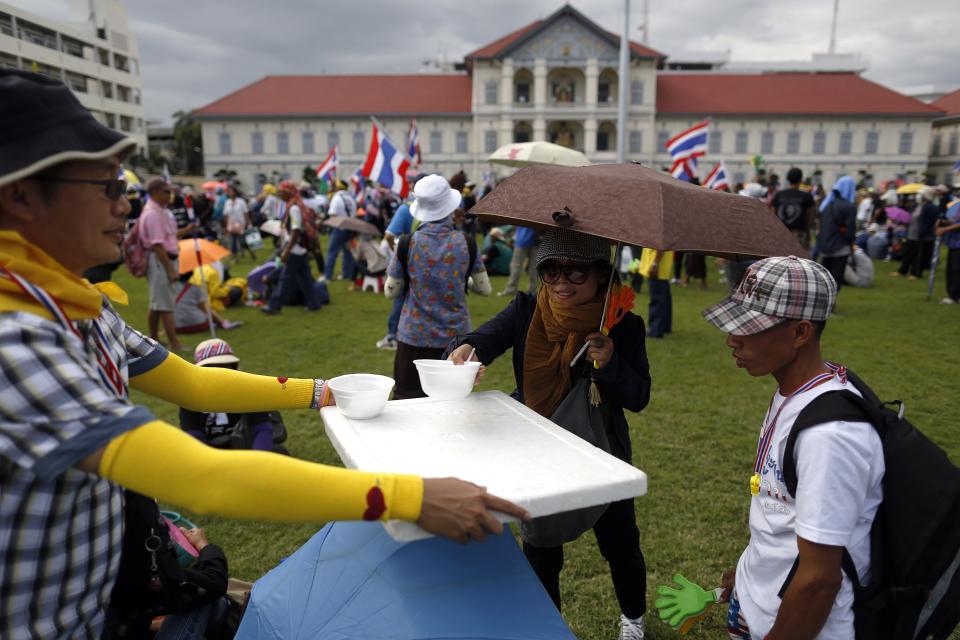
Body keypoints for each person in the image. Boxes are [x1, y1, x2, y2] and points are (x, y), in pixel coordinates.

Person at [0, 70, 529, 640]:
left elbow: (196, 384)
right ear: (23, 195)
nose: (125, 204)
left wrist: (319, 390)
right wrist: (413, 497)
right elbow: (205, 479)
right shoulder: (16, 341)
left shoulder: (77, 305)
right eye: (105, 187)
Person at [447, 228, 652, 639]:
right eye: (551, 271)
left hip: (601, 451)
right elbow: (484, 339)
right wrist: (465, 351)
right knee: (540, 549)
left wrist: (609, 362)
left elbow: (638, 396)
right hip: (536, 448)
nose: (561, 282)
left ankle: (634, 618)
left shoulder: (622, 325)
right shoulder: (526, 309)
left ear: (600, 274)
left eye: (575, 273)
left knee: (620, 544)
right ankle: (546, 629)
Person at [703, 256, 883, 640]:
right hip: (760, 601)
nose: (732, 338)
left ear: (800, 332)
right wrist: (750, 572)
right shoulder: (796, 390)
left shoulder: (830, 435)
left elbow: (819, 580)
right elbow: (781, 509)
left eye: (748, 328)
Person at [384, 174, 491, 399]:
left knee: (407, 399)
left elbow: (390, 291)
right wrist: (460, 280)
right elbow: (485, 289)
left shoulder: (407, 243)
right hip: (456, 340)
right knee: (452, 402)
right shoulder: (466, 243)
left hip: (413, 336)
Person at [180, 339, 280, 452]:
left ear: (233, 367)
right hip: (211, 456)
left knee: (279, 452)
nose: (218, 372)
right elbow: (194, 436)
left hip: (247, 449)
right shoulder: (189, 398)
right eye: (211, 367)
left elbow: (262, 430)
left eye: (224, 366)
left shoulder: (250, 391)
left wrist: (257, 462)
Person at [139, 177, 186, 352]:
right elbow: (157, 245)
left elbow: (168, 236)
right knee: (165, 305)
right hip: (160, 261)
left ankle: (153, 340)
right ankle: (175, 344)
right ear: (155, 192)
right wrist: (170, 270)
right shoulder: (152, 213)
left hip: (162, 259)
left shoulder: (159, 211)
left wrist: (187, 230)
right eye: (166, 192)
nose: (170, 195)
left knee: (157, 304)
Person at [262, 180, 321, 314]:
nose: (280, 195)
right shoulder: (295, 206)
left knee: (285, 279)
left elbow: (295, 231)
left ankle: (274, 306)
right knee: (305, 279)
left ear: (288, 193)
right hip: (300, 249)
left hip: (294, 249)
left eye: (282, 192)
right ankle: (314, 304)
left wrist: (287, 250)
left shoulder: (293, 208)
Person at [376, 194, 415, 350]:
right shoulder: (442, 210)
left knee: (400, 297)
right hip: (436, 262)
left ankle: (393, 336)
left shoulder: (406, 208)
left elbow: (389, 235)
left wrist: (397, 252)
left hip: (409, 261)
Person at [818, 176, 857, 296]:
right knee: (836, 278)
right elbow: (850, 231)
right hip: (840, 247)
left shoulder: (826, 205)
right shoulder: (849, 207)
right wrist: (851, 245)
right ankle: (831, 306)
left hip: (825, 246)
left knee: (824, 278)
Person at [893, 186, 940, 280]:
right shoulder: (917, 206)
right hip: (912, 234)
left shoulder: (930, 207)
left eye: (920, 194)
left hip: (923, 236)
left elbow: (935, 220)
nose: (918, 196)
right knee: (908, 253)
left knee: (920, 256)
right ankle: (902, 270)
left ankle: (916, 273)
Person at [173, 272, 242, 333]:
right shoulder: (195, 287)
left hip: (176, 326)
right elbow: (206, 309)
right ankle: (222, 323)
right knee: (207, 313)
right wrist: (221, 322)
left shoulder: (172, 287)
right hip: (197, 324)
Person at [771, 168, 816, 250]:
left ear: (788, 179)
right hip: (799, 236)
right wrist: (808, 238)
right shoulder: (807, 197)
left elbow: (773, 218)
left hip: (781, 235)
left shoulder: (779, 195)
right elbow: (809, 220)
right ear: (800, 179)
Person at [324, 180, 357, 281]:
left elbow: (332, 214)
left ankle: (327, 276)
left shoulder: (337, 197)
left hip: (339, 228)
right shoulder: (351, 198)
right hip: (350, 228)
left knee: (331, 252)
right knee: (347, 253)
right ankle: (346, 275)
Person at [637, 247, 673, 338]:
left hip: (656, 267)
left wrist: (655, 264)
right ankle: (665, 327)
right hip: (661, 267)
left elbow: (660, 247)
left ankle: (655, 330)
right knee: (664, 299)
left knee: (657, 300)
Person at [499, 225, 540, 297]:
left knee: (516, 266)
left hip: (522, 239)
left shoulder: (522, 213)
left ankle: (511, 289)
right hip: (537, 239)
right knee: (534, 266)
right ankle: (532, 290)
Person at [936, 195, 960, 304]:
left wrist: (945, 229)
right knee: (951, 269)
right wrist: (944, 222)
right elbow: (956, 220)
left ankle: (953, 296)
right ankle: (952, 295)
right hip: (954, 242)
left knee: (956, 270)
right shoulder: (957, 205)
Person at [224, 184, 256, 262]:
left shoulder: (241, 201)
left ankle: (252, 253)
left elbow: (245, 212)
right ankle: (235, 258)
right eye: (229, 192)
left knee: (243, 242)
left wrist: (248, 222)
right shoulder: (227, 202)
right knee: (232, 243)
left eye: (232, 191)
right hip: (231, 225)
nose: (230, 193)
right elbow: (226, 214)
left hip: (241, 224)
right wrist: (226, 225)